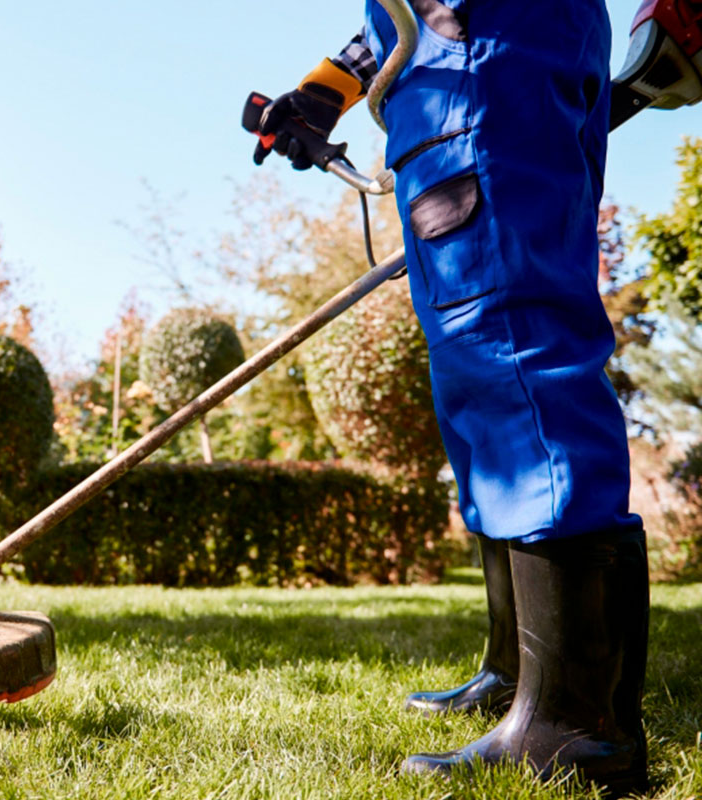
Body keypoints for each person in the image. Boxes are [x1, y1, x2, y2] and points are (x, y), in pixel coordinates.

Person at [252, 2, 649, 795]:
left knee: (509, 343)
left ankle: (575, 723)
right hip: (463, 61)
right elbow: (393, 21)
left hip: (484, 53)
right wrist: (325, 88)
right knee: (477, 374)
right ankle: (519, 677)